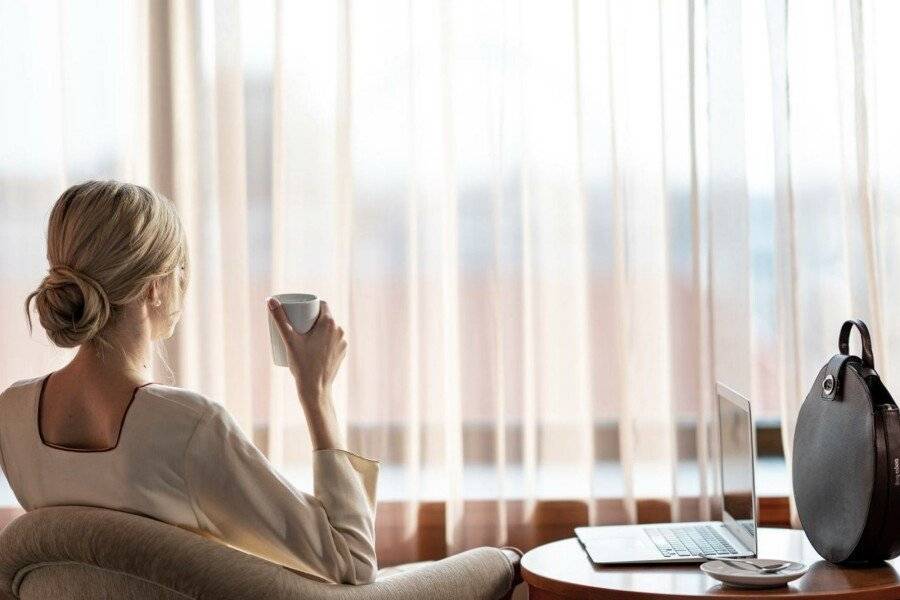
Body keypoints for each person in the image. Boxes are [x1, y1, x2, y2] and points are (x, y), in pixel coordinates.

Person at [0, 180, 378, 584]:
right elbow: (352, 563)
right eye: (181, 268)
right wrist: (316, 392)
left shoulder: (12, 415)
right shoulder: (187, 427)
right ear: (154, 288)